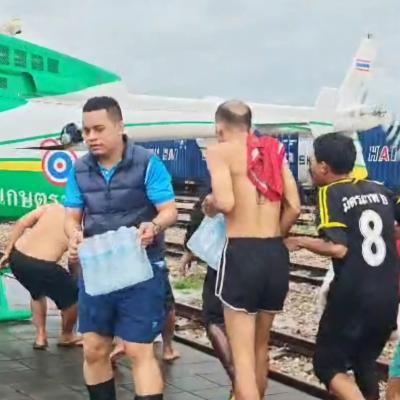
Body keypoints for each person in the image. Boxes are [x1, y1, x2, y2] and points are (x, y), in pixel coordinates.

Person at [64, 96, 177, 400]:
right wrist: (74, 235)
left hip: (141, 270)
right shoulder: (79, 169)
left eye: (99, 129)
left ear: (119, 126)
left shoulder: (147, 163)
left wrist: (154, 226)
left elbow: (169, 210)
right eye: (86, 130)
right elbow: (71, 217)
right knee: (94, 349)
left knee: (139, 349)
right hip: (98, 270)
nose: (91, 137)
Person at [286, 132, 400, 400]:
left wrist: (300, 241)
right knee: (364, 361)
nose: (310, 167)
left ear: (324, 167)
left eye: (312, 162)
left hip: (353, 296)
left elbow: (338, 248)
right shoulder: (379, 189)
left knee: (327, 365)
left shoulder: (330, 193)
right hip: (388, 297)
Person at [203, 100, 301, 400]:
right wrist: (274, 236)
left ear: (220, 127)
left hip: (242, 253)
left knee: (242, 360)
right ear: (248, 124)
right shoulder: (274, 150)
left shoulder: (219, 151)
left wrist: (209, 204)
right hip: (274, 253)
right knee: (260, 348)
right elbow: (294, 207)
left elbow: (226, 202)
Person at [0, 203, 80, 349]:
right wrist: (74, 279)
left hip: (17, 258)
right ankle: (67, 335)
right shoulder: (80, 222)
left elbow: (21, 222)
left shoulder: (52, 207)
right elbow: (73, 260)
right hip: (43, 266)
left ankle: (40, 337)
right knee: (74, 299)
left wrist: (8, 251)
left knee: (36, 293)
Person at [180, 191, 235, 400]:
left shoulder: (225, 175)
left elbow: (207, 203)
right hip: (264, 254)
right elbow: (292, 209)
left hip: (227, 258)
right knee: (254, 326)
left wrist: (190, 247)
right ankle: (253, 387)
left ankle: (240, 384)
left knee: (215, 319)